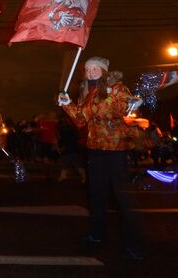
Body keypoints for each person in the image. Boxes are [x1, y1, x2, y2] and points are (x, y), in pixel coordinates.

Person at [58, 56, 143, 261]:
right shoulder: (86, 93)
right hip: (94, 149)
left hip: (115, 149)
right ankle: (97, 234)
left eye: (94, 68)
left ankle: (134, 245)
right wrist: (67, 104)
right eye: (87, 69)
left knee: (122, 198)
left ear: (104, 70)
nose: (90, 72)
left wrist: (132, 104)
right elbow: (80, 121)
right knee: (96, 196)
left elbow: (124, 109)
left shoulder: (116, 88)